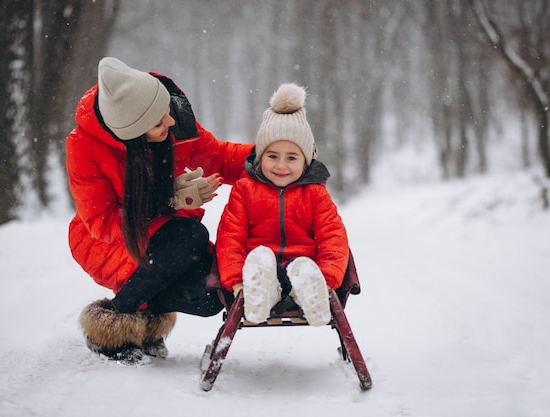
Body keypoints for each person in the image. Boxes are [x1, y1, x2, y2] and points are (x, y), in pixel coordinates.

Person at [66, 57, 253, 364]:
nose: (169, 121)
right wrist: (167, 201)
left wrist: (272, 154)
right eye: (157, 122)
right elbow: (101, 222)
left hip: (169, 238)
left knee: (212, 294)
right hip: (106, 242)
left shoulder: (174, 120)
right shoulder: (83, 146)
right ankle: (114, 322)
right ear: (133, 133)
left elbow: (221, 158)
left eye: (165, 111)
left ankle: (145, 317)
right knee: (190, 234)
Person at [215, 83, 349, 327]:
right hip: (260, 271)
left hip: (302, 268)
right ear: (260, 156)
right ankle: (260, 297)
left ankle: (312, 295)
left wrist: (328, 280)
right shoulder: (245, 190)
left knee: (302, 271)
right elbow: (230, 239)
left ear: (306, 160)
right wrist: (236, 282)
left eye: (291, 158)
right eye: (272, 156)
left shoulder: (315, 194)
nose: (281, 166)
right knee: (261, 262)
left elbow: (333, 239)